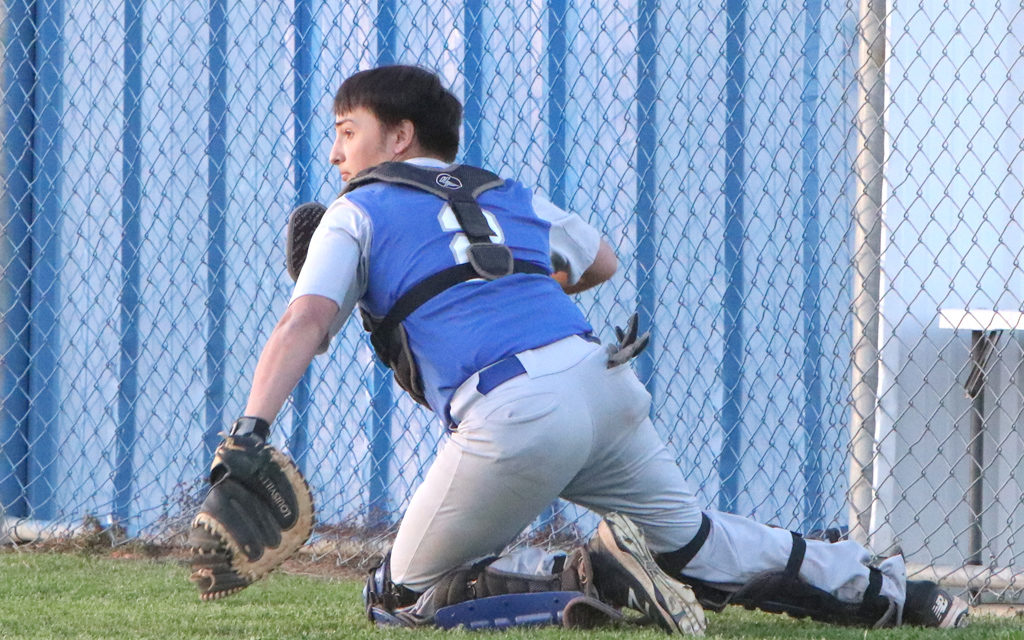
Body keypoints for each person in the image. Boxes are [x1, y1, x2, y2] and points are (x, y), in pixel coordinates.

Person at [190, 64, 969, 632]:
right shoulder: (503, 192)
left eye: (346, 132)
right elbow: (600, 262)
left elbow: (302, 324)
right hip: (599, 377)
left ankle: (587, 573)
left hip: (515, 411)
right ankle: (899, 593)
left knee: (396, 601)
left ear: (397, 137)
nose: (337, 155)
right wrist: (497, 289)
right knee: (696, 543)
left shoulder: (355, 209)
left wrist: (251, 431)